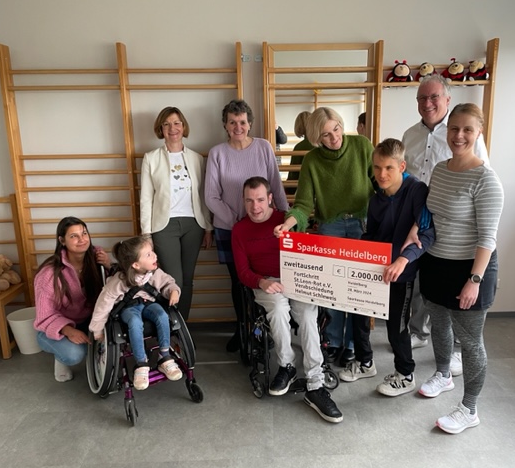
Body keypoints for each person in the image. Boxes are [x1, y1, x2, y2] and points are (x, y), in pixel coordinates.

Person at [417, 103, 503, 434]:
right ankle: (443, 374)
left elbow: (488, 239)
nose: (459, 135)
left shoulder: (486, 180)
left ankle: (469, 409)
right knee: (439, 325)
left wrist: (474, 281)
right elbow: (430, 216)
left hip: (470, 269)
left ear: (479, 133)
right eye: (454, 128)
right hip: (436, 263)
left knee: (469, 341)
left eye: (468, 129)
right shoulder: (440, 170)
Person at [232, 176, 343, 423]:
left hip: (295, 277)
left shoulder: (285, 219)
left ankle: (315, 383)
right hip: (265, 282)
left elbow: (306, 244)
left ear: (270, 198)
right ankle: (287, 366)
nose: (255, 207)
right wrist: (262, 282)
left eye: (260, 200)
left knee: (307, 314)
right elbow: (242, 272)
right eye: (249, 201)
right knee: (279, 308)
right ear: (243, 200)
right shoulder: (239, 230)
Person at [274, 106, 376, 368]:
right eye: (326, 135)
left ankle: (352, 345)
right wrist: (288, 224)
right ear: (316, 138)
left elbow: (380, 183)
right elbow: (304, 204)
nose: (334, 138)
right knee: (332, 290)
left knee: (357, 290)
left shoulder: (362, 146)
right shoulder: (312, 160)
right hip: (330, 225)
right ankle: (333, 341)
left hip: (361, 222)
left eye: (336, 129)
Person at [402, 75, 489, 374]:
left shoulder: (463, 136)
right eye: (422, 98)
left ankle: (457, 349)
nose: (427, 103)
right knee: (424, 285)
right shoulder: (409, 135)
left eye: (434, 97)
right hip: (420, 220)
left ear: (447, 100)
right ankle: (419, 332)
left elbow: (482, 179)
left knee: (457, 292)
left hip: (458, 226)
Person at [339, 139, 434, 396]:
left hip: (402, 272)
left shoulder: (417, 190)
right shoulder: (375, 200)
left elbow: (426, 233)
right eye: (377, 167)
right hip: (374, 270)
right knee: (358, 313)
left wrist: (403, 260)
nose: (382, 174)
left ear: (401, 166)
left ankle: (405, 374)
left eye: (389, 168)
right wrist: (353, 253)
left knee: (396, 326)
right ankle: (365, 362)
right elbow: (372, 236)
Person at [204, 99, 289, 352]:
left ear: (249, 123)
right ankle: (243, 330)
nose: (238, 127)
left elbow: (275, 186)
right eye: (232, 122)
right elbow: (211, 196)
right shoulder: (217, 153)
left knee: (269, 277)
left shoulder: (263, 147)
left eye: (242, 122)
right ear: (225, 125)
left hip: (266, 228)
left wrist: (286, 220)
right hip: (231, 229)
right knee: (239, 281)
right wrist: (239, 223)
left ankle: (266, 329)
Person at [140, 106, 213, 322]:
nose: (173, 128)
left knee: (188, 280)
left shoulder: (196, 158)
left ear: (183, 126)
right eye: (167, 124)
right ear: (160, 129)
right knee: (174, 280)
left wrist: (208, 228)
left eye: (177, 123)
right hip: (164, 227)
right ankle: (171, 326)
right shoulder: (151, 158)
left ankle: (183, 327)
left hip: (194, 225)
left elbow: (203, 195)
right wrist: (146, 234)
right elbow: (146, 198)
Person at [89, 235, 183, 391]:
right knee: (134, 321)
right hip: (129, 308)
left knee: (162, 315)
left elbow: (168, 282)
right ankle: (141, 363)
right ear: (136, 264)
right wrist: (97, 328)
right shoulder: (119, 280)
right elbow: (103, 304)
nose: (155, 256)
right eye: (148, 254)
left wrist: (173, 291)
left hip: (150, 304)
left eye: (152, 251)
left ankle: (164, 357)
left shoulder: (155, 273)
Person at [33, 216, 111, 382]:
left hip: (89, 320)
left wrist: (109, 266)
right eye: (74, 236)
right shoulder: (49, 273)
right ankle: (60, 359)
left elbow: (113, 289)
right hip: (55, 326)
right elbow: (44, 316)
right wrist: (68, 330)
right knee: (74, 354)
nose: (81, 239)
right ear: (62, 240)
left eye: (84, 233)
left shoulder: (97, 259)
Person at [286, 111, 314, 197]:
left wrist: (288, 191)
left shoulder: (299, 147)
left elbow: (293, 174)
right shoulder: (322, 143)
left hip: (305, 190)